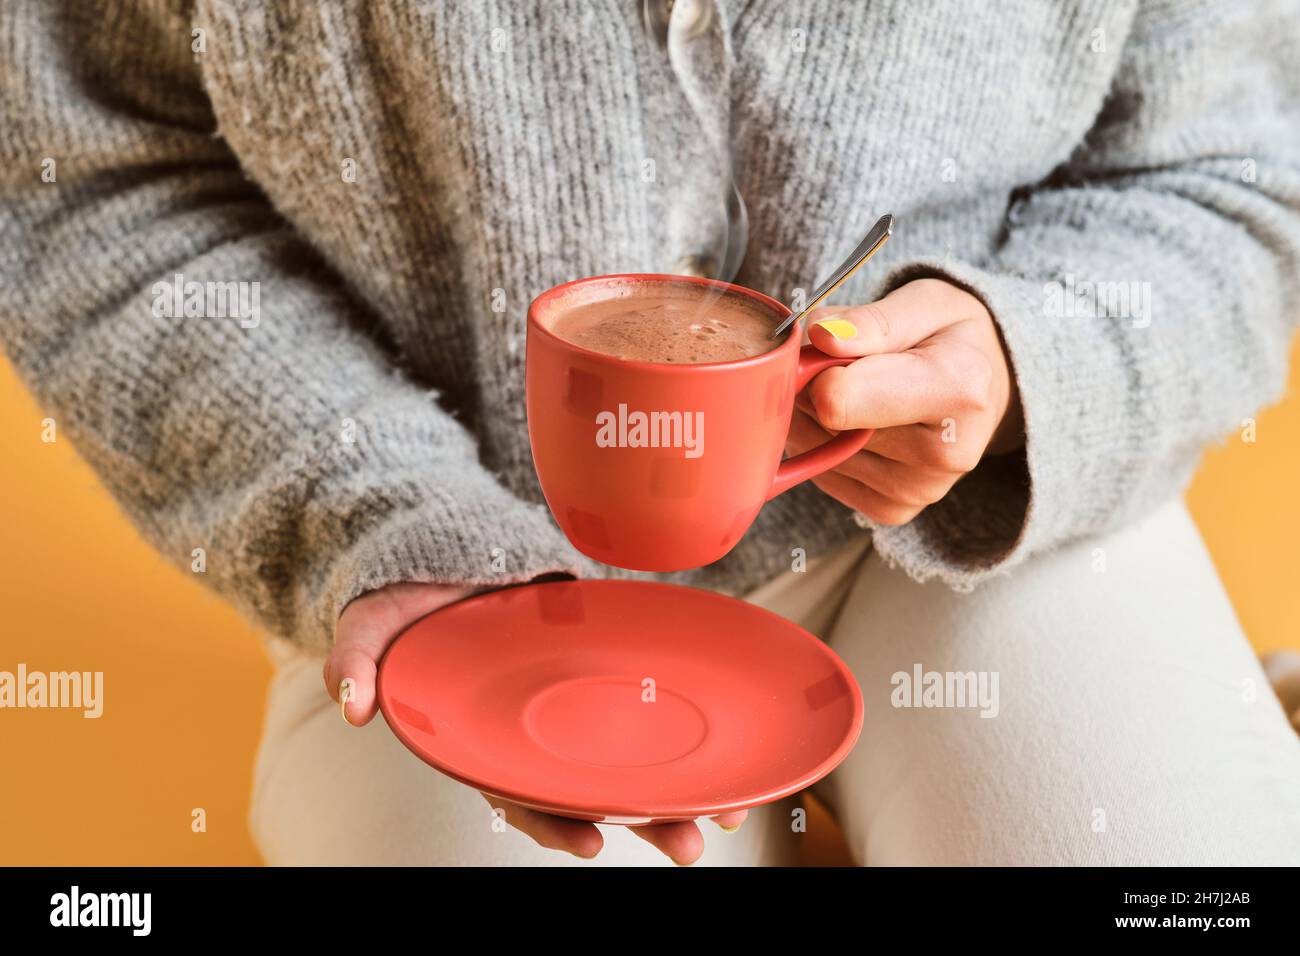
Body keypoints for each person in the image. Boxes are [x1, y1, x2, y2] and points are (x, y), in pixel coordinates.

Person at [3, 0, 1299, 865]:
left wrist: (1036, 365)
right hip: (452, 564)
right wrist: (366, 510)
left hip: (981, 525)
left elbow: (1236, 172)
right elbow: (84, 181)